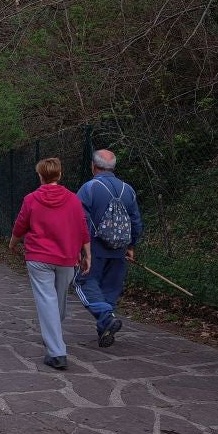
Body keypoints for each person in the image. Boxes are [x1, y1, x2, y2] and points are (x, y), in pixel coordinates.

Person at [9, 158, 90, 370]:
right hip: (67, 257)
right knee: (57, 300)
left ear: (40, 176)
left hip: (39, 257)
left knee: (48, 301)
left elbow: (20, 224)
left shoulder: (31, 199)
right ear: (59, 175)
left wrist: (13, 243)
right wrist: (87, 254)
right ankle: (56, 349)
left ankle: (55, 344)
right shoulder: (73, 200)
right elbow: (82, 227)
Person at [75, 149, 143, 347]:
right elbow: (136, 221)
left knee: (84, 282)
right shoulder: (128, 190)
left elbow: (80, 220)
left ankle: (105, 318)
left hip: (94, 249)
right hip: (119, 250)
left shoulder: (89, 188)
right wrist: (131, 245)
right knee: (110, 289)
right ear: (113, 167)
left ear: (93, 166)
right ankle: (105, 328)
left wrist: (81, 248)